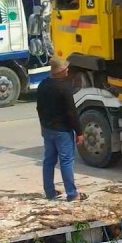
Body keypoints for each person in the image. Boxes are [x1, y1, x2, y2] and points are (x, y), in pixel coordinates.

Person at [36, 56, 86, 201]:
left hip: (48, 129)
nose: (68, 70)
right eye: (66, 68)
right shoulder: (64, 88)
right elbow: (72, 112)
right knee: (66, 161)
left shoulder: (43, 85)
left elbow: (39, 108)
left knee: (49, 160)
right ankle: (72, 194)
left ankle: (50, 192)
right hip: (62, 131)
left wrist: (42, 126)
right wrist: (79, 132)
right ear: (60, 71)